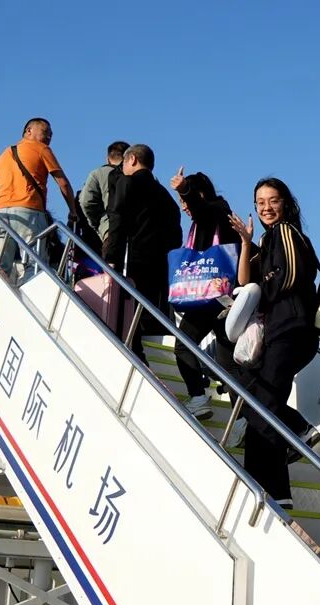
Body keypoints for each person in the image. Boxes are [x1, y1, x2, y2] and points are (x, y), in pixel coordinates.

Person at [227, 178, 320, 509]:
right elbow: (244, 282)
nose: (266, 207)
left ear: (286, 204)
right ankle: (270, 485)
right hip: (277, 333)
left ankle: (277, 484)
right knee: (258, 405)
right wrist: (245, 243)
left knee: (263, 404)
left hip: (292, 329)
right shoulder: (266, 240)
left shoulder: (286, 232)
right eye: (260, 202)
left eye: (273, 200)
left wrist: (262, 296)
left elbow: (291, 276)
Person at [169, 166, 239, 419]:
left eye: (185, 202)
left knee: (183, 345)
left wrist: (185, 190)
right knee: (228, 363)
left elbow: (202, 210)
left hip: (210, 296)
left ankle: (199, 397)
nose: (184, 207)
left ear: (199, 195)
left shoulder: (216, 210)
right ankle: (242, 418)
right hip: (221, 297)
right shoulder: (214, 217)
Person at [102, 144, 182, 359]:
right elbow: (176, 235)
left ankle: (133, 355)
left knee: (127, 312)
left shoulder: (127, 183)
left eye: (124, 163)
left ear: (133, 159)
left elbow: (117, 219)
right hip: (160, 265)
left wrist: (111, 257)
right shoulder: (165, 196)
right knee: (152, 313)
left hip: (132, 260)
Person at [0, 118, 79, 280]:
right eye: (45, 132)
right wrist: (73, 211)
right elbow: (62, 182)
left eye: (51, 134)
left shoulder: (6, 153)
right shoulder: (42, 149)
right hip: (29, 214)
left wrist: (8, 200)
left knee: (0, 266)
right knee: (33, 265)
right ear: (29, 131)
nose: (49, 137)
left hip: (1, 215)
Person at [80, 141, 130, 241]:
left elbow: (86, 201)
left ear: (107, 159)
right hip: (141, 234)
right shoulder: (142, 176)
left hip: (110, 229)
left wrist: (99, 224)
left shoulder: (97, 173)